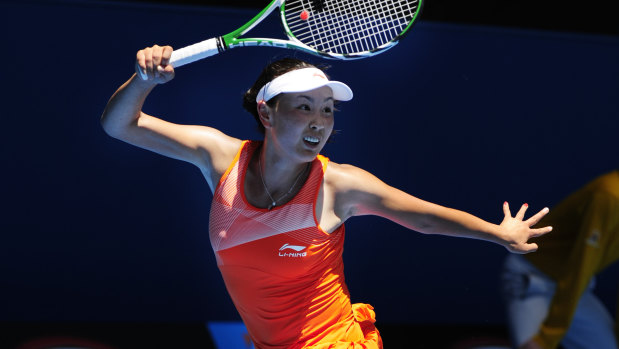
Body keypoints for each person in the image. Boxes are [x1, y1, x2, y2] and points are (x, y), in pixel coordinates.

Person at [100, 44, 552, 349]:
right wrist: (144, 80)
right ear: (267, 111)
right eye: (304, 107)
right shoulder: (220, 158)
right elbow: (119, 125)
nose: (320, 121)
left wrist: (498, 233)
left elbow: (424, 218)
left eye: (328, 110)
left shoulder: (340, 185)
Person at [501, 170, 619, 349]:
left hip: (574, 290)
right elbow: (580, 268)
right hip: (532, 280)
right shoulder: (610, 196)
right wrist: (546, 338)